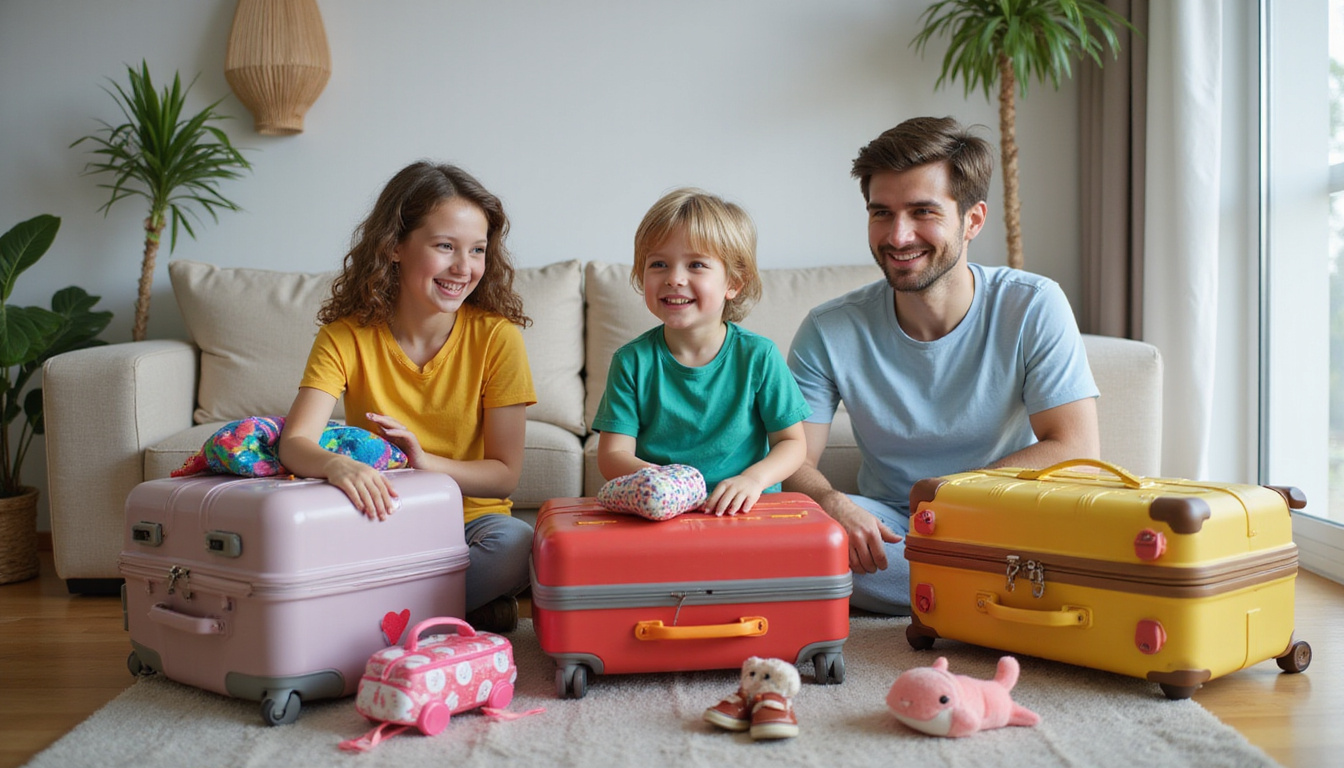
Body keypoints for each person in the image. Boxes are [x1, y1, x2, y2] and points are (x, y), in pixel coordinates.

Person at [784, 117, 1101, 615]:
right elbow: (792, 458)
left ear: (973, 220)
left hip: (1001, 517)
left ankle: (943, 592)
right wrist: (833, 504)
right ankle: (988, 597)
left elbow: (1075, 447)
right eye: (881, 213)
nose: (898, 234)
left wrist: (952, 493)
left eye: (922, 211)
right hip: (891, 526)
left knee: (1071, 543)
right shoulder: (829, 329)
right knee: (797, 537)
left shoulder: (1034, 304)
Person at [278, 161, 536, 632]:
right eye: (445, 247)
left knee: (518, 544)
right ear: (394, 246)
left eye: (477, 250)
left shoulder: (498, 339)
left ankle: (372, 624)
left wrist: (425, 461)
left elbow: (504, 477)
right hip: (380, 519)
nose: (464, 267)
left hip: (469, 527)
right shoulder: (344, 337)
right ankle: (455, 613)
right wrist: (338, 465)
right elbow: (295, 443)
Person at [593, 188, 810, 516]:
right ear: (641, 275)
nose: (674, 278)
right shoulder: (631, 361)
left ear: (733, 283)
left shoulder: (759, 356)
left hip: (746, 511)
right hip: (664, 512)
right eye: (659, 264)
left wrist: (753, 479)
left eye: (695, 264)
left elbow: (792, 444)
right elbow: (612, 457)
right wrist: (669, 483)